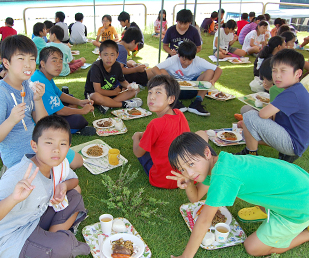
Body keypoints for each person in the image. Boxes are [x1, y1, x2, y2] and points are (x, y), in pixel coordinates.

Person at [166, 132, 309, 258]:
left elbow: (203, 221)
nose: (189, 174)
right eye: (182, 169)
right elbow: (196, 198)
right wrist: (190, 184)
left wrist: (186, 256)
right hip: (295, 185)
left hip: (297, 205)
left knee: (252, 247)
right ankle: (266, 209)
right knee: (253, 190)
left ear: (207, 153)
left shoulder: (223, 176)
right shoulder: (217, 164)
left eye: (190, 164)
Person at [0, 115, 90, 258]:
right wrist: (14, 198)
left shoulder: (57, 165)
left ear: (69, 147)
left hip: (34, 218)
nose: (56, 149)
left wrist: (64, 185)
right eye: (49, 143)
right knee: (62, 246)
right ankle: (60, 244)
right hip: (11, 238)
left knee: (74, 196)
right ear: (34, 146)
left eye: (62, 144)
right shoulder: (19, 175)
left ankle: (49, 240)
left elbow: (74, 180)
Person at [0, 35, 49, 171]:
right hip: (18, 158)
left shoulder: (27, 85)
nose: (28, 65)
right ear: (6, 63)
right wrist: (11, 120)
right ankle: (8, 173)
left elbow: (43, 124)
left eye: (31, 59)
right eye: (21, 59)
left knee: (75, 162)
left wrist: (38, 99)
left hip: (38, 148)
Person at [236, 49, 309, 163]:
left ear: (298, 73)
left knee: (250, 116)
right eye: (274, 71)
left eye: (283, 71)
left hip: (292, 144)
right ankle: (250, 151)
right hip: (295, 140)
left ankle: (251, 156)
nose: (277, 76)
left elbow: (263, 114)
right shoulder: (297, 90)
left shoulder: (292, 93)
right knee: (247, 129)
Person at [132, 75, 189, 189]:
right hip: (184, 176)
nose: (151, 97)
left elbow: (138, 153)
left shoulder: (155, 124)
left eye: (158, 93)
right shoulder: (179, 113)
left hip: (163, 180)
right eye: (150, 92)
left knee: (142, 151)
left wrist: (136, 137)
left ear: (171, 99)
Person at [30, 46, 95, 136]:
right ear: (43, 64)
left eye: (60, 61)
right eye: (54, 61)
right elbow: (60, 111)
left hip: (48, 110)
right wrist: (82, 111)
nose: (59, 64)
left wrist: (80, 102)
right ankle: (73, 130)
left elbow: (59, 94)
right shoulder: (41, 81)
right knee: (79, 120)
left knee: (70, 98)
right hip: (41, 121)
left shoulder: (42, 75)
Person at [150, 41, 222, 116]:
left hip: (193, 90)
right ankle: (174, 101)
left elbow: (218, 70)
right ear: (178, 55)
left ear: (194, 57)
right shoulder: (173, 59)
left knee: (210, 71)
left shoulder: (198, 61)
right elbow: (154, 69)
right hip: (175, 90)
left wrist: (213, 80)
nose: (186, 62)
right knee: (162, 71)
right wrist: (167, 82)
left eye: (190, 60)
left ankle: (197, 102)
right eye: (184, 59)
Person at [84, 40, 142, 114]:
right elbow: (97, 90)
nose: (109, 58)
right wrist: (114, 92)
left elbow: (122, 81)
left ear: (117, 55)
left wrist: (128, 85)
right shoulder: (96, 67)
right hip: (95, 95)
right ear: (100, 54)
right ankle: (123, 104)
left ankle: (107, 105)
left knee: (135, 89)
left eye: (112, 55)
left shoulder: (117, 66)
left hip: (110, 93)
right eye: (105, 55)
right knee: (94, 96)